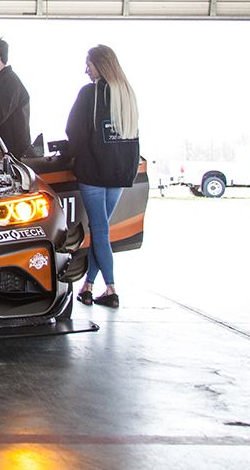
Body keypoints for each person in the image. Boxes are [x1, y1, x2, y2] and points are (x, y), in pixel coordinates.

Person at [65, 44, 140, 310]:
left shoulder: (90, 93)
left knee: (99, 230)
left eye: (89, 64)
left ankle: (111, 288)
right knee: (102, 231)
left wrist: (67, 155)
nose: (86, 70)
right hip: (120, 172)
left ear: (100, 64)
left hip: (93, 172)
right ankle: (88, 286)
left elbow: (73, 130)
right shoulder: (126, 94)